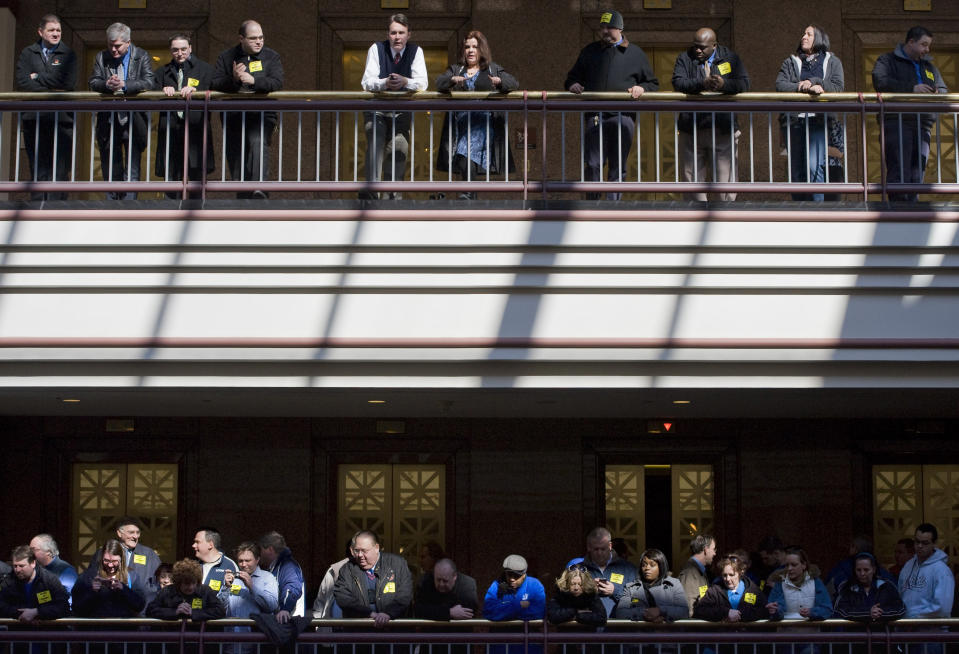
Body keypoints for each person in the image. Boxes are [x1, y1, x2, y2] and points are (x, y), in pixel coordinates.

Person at [565, 10, 658, 201]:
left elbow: (652, 83)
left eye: (610, 27)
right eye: (602, 28)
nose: (605, 31)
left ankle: (613, 204)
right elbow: (572, 77)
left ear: (620, 28)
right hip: (595, 115)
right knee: (592, 163)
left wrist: (641, 88)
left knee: (617, 164)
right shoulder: (590, 51)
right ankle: (592, 204)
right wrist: (572, 84)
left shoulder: (635, 53)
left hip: (623, 116)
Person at [435, 31, 518, 200]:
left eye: (475, 47)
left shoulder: (492, 68)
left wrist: (500, 82)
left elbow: (513, 83)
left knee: (466, 151)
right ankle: (470, 196)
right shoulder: (457, 69)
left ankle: (467, 194)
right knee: (462, 156)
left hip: (482, 124)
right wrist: (452, 80)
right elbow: (439, 83)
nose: (470, 50)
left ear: (482, 50)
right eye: (467, 47)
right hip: (461, 125)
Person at [671, 28, 749, 202]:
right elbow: (678, 82)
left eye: (703, 47)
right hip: (692, 128)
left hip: (722, 128)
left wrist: (723, 84)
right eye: (695, 46)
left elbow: (744, 83)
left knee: (725, 180)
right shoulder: (685, 58)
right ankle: (695, 214)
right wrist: (702, 83)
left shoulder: (730, 58)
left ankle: (725, 215)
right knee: (691, 179)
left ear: (714, 45)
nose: (697, 50)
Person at [872, 26, 948, 202]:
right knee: (899, 169)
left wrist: (937, 93)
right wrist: (912, 89)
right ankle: (898, 211)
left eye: (928, 45)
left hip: (923, 123)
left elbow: (943, 88)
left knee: (918, 171)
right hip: (897, 121)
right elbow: (880, 81)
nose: (927, 50)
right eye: (924, 44)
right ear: (911, 42)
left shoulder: (929, 66)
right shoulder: (887, 60)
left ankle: (913, 207)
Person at [212, 20, 284, 198]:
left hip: (262, 113)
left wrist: (254, 81)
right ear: (241, 39)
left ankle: (259, 189)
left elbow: (277, 82)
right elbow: (214, 82)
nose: (259, 41)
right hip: (234, 114)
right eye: (253, 38)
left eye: (261, 37)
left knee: (258, 144)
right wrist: (234, 79)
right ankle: (242, 194)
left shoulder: (271, 56)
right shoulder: (227, 56)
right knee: (236, 154)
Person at [360, 13, 428, 200]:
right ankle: (371, 196)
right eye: (393, 33)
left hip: (402, 110)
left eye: (401, 32)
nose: (397, 37)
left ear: (409, 34)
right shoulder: (377, 48)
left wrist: (405, 81)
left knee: (399, 151)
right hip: (377, 108)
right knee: (376, 145)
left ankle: (392, 199)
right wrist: (385, 83)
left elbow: (423, 83)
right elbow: (367, 82)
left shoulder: (416, 51)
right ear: (387, 34)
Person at [775, 25, 844, 201]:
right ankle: (799, 208)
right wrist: (800, 86)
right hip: (794, 122)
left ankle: (817, 209)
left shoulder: (832, 61)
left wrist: (817, 83)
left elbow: (838, 87)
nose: (803, 37)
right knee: (796, 170)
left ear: (819, 39)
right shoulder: (791, 61)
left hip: (818, 121)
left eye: (809, 34)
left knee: (814, 166)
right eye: (803, 34)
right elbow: (780, 85)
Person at [88, 22, 155, 200]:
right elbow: (93, 82)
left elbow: (149, 82)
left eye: (118, 46)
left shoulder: (141, 56)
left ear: (128, 42)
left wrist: (125, 85)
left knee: (132, 168)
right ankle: (112, 209)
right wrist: (106, 85)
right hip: (109, 120)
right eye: (110, 45)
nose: (114, 50)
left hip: (134, 119)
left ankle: (129, 209)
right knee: (110, 167)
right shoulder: (101, 57)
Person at [14, 13, 76, 201]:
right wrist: (51, 81)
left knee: (60, 169)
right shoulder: (28, 53)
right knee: (38, 168)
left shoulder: (69, 54)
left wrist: (38, 77)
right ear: (41, 32)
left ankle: (58, 210)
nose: (56, 33)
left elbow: (68, 82)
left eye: (58, 30)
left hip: (61, 120)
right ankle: (38, 207)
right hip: (34, 119)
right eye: (51, 30)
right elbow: (22, 82)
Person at [155, 33, 215, 197]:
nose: (179, 53)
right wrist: (162, 91)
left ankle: (196, 215)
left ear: (190, 48)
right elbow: (151, 92)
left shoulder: (205, 69)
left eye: (183, 49)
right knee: (171, 178)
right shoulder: (163, 72)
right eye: (175, 50)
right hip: (171, 131)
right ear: (170, 51)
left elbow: (217, 90)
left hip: (195, 130)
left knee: (196, 179)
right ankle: (170, 216)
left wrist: (199, 90)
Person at [333, 530, 413, 626]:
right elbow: (343, 597)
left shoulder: (397, 564)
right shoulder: (347, 569)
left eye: (364, 551)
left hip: (393, 631)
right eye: (357, 550)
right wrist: (369, 614)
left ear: (376, 548)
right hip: (359, 633)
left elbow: (405, 595)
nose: (360, 555)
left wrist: (388, 614)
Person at [219, 542, 278, 654]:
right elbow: (220, 608)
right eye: (240, 561)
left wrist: (252, 586)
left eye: (248, 560)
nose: (243, 564)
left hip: (257, 644)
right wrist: (226, 588)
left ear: (257, 560)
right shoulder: (234, 579)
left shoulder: (268, 578)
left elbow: (272, 606)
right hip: (231, 643)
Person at [89, 516, 161, 607]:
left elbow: (158, 584)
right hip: (108, 610)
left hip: (142, 612)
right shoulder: (103, 553)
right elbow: (90, 578)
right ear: (119, 533)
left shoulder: (149, 555)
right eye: (131, 532)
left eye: (137, 533)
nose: (135, 536)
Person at [483, 555, 546, 654]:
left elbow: (539, 612)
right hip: (501, 645)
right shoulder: (496, 586)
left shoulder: (535, 585)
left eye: (516, 576)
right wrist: (519, 605)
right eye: (509, 575)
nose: (512, 579)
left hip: (529, 645)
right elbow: (489, 612)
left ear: (524, 574)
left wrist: (504, 609)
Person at [71, 539, 146, 617]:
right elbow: (76, 607)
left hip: (123, 627)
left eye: (114, 561)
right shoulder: (88, 576)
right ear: (101, 558)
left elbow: (140, 605)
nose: (110, 565)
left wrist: (123, 589)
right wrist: (92, 591)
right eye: (106, 560)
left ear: (121, 559)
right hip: (96, 627)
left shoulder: (131, 576)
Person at [614, 548, 688, 621]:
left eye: (652, 565)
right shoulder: (631, 587)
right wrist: (645, 614)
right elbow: (620, 613)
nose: (647, 568)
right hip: (639, 632)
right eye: (644, 565)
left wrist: (660, 611)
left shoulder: (674, 584)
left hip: (666, 632)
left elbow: (684, 611)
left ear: (661, 567)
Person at [0, 545, 70, 621]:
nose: (17, 570)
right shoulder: (8, 582)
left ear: (33, 563)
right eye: (15, 566)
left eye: (21, 566)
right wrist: (21, 614)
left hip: (45, 630)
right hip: (19, 630)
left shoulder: (49, 580)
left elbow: (63, 606)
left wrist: (37, 612)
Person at [898, 523, 953, 618]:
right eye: (917, 541)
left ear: (934, 543)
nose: (919, 546)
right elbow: (900, 595)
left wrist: (915, 619)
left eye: (925, 543)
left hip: (931, 630)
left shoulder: (942, 571)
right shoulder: (908, 565)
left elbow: (942, 608)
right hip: (905, 628)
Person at [833, 552, 905, 623]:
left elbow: (900, 609)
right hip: (856, 633)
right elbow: (841, 610)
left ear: (874, 569)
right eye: (858, 570)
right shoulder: (847, 587)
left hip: (882, 633)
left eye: (866, 570)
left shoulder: (886, 586)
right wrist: (867, 613)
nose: (862, 573)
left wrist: (879, 613)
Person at [146, 557, 225, 620]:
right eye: (186, 583)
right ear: (179, 582)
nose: (190, 587)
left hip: (198, 636)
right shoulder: (168, 591)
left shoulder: (205, 591)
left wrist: (193, 613)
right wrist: (175, 612)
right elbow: (151, 610)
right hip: (173, 636)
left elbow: (220, 610)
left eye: (193, 583)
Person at [765, 546, 832, 620]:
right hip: (786, 630)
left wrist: (812, 612)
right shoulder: (779, 584)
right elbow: (774, 609)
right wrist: (774, 610)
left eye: (794, 565)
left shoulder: (816, 582)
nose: (789, 568)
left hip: (811, 630)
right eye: (787, 565)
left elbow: (827, 609)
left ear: (804, 565)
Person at [693, 556, 766, 622]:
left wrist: (741, 615)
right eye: (724, 575)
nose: (727, 579)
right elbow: (700, 610)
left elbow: (764, 611)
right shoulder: (715, 591)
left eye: (731, 575)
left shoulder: (753, 590)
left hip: (746, 635)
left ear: (741, 572)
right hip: (723, 635)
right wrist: (725, 612)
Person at [258, 531, 305, 622]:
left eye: (261, 550)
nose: (259, 554)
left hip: (287, 622)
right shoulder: (274, 567)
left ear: (270, 549)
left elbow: (292, 588)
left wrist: (285, 609)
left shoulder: (288, 566)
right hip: (280, 621)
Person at [415, 557, 479, 620]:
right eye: (438, 580)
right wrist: (449, 612)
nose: (441, 584)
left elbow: (469, 613)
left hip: (458, 629)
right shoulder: (426, 582)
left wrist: (434, 610)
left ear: (455, 576)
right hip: (432, 629)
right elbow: (418, 610)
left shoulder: (467, 584)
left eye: (445, 581)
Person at [29, 534, 78, 603]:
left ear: (48, 552)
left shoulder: (66, 571)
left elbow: (70, 601)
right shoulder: (35, 569)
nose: (30, 554)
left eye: (33, 550)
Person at [676, 533, 717, 615]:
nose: (715, 553)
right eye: (714, 549)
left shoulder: (699, 571)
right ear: (706, 549)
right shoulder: (690, 573)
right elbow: (689, 609)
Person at [191, 527, 237, 591]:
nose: (193, 545)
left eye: (197, 542)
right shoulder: (193, 565)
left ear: (210, 545)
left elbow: (234, 595)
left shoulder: (229, 565)